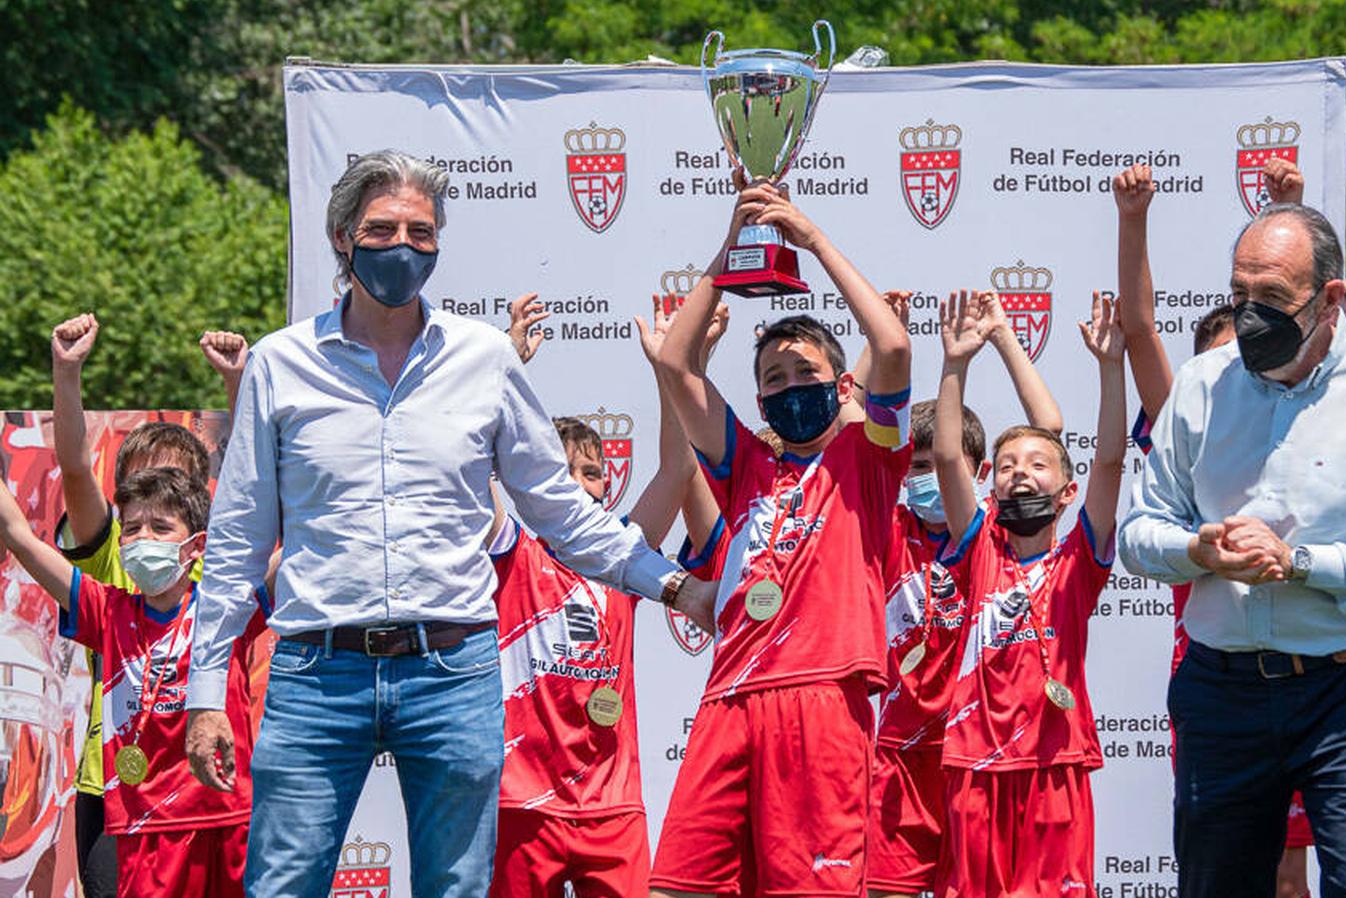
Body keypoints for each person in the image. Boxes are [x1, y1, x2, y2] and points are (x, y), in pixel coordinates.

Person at [183, 150, 712, 898]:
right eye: (383, 228)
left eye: (421, 232)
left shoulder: (485, 358)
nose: (403, 246)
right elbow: (237, 541)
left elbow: (559, 509)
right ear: (343, 237)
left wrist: (677, 587)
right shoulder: (280, 363)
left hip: (453, 671)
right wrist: (207, 693)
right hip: (314, 672)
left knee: (458, 889)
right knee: (281, 887)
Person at [1118, 202, 1346, 898]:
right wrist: (1198, 549)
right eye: (1238, 294)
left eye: (1271, 297)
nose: (1248, 315)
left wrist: (1303, 562)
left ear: (1330, 299)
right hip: (1223, 688)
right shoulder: (1199, 387)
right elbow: (1139, 533)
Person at [649, 174, 912, 897]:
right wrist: (734, 247)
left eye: (807, 372)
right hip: (729, 694)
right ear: (759, 398)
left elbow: (889, 345)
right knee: (676, 886)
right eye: (775, 378)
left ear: (842, 387)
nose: (791, 386)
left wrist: (811, 239)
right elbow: (675, 363)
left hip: (823, 696)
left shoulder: (872, 458)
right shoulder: (747, 462)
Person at [488, 295, 725, 898]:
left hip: (611, 807)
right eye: (563, 471)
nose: (582, 484)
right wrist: (506, 366)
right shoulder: (511, 549)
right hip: (524, 800)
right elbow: (477, 473)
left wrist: (669, 367)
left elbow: (676, 470)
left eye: (592, 472)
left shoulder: (625, 558)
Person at [925, 289, 1124, 895]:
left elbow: (1111, 462)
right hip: (974, 761)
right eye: (1007, 465)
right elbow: (946, 457)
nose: (1020, 472)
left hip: (1054, 763)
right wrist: (956, 363)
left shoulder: (1079, 560)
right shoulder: (980, 544)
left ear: (1067, 493)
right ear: (992, 485)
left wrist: (1111, 369)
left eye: (1038, 465)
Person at [49, 312, 247, 898]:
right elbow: (74, 467)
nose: (152, 499)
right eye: (140, 484)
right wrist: (66, 371)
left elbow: (253, 474)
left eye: (171, 484)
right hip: (115, 786)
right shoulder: (111, 555)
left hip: (209, 787)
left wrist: (238, 384)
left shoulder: (219, 562)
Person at [869, 288, 1059, 898]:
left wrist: (1001, 338)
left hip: (969, 754)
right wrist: (887, 346)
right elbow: (858, 430)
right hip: (898, 751)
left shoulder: (985, 536)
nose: (923, 476)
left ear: (979, 477)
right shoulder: (884, 528)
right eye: (913, 466)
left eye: (935, 465)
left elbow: (1048, 431)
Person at [0, 466, 263, 897]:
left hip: (225, 820)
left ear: (195, 546)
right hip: (143, 827)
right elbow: (19, 536)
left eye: (161, 528)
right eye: (133, 529)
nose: (143, 540)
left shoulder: (227, 609)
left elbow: (296, 545)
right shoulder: (105, 610)